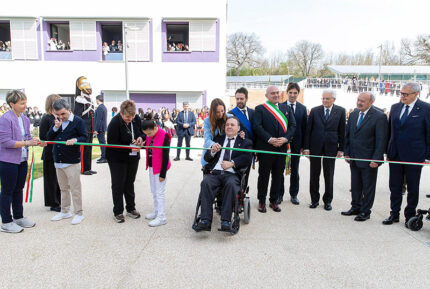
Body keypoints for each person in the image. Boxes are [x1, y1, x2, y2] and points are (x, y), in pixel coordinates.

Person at [383, 82, 430, 227]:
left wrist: (427, 156)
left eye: (406, 94)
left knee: (412, 187)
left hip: (414, 156)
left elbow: (429, 134)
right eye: (401, 93)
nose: (402, 96)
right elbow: (390, 131)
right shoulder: (395, 107)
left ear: (416, 94)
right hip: (395, 154)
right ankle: (394, 213)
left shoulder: (426, 109)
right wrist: (387, 150)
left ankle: (410, 215)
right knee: (395, 186)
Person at [194, 117, 253, 232]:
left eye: (232, 125)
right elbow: (207, 157)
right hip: (215, 173)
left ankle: (226, 220)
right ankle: (205, 220)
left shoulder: (245, 142)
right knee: (206, 182)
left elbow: (247, 158)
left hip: (231, 174)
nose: (229, 127)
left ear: (238, 128)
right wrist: (212, 151)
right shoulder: (218, 139)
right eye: (227, 125)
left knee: (231, 185)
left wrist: (232, 163)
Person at [342, 92, 388, 221]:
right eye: (358, 100)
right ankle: (355, 207)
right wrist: (347, 152)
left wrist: (376, 159)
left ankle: (365, 211)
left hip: (369, 159)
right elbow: (348, 135)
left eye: (362, 101)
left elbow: (381, 140)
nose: (359, 102)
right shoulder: (354, 114)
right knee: (355, 185)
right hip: (354, 157)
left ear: (371, 102)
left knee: (368, 187)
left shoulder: (379, 117)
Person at [0, 90, 40, 233]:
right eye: (22, 103)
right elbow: (5, 142)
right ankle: (6, 221)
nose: (25, 105)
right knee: (7, 190)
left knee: (18, 189)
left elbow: (27, 137)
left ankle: (18, 217)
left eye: (25, 102)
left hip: (22, 159)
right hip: (8, 161)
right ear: (12, 104)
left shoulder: (25, 119)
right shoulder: (5, 119)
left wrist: (35, 141)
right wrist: (27, 143)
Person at [253, 85, 296, 213]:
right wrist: (269, 139)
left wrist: (285, 138)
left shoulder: (286, 108)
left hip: (281, 148)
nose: (276, 95)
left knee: (278, 176)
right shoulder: (260, 109)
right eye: (272, 93)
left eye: (277, 93)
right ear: (267, 95)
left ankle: (273, 200)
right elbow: (257, 126)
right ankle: (261, 201)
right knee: (264, 176)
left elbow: (293, 126)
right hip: (266, 147)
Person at [47, 99, 87, 225]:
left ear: (69, 110)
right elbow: (49, 138)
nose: (60, 117)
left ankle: (79, 213)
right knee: (63, 188)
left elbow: (84, 137)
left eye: (63, 114)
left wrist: (75, 139)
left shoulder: (78, 121)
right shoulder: (57, 122)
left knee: (75, 189)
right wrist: (55, 128)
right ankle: (65, 211)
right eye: (57, 115)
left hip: (71, 161)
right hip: (58, 161)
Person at [304, 90, 346, 211]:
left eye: (327, 99)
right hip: (315, 147)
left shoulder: (341, 111)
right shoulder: (315, 110)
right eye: (323, 98)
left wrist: (341, 149)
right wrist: (307, 148)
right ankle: (314, 200)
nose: (324, 101)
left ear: (334, 99)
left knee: (329, 175)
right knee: (314, 174)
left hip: (331, 147)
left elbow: (342, 131)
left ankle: (327, 201)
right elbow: (308, 130)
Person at [106, 100, 145, 223]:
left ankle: (130, 208)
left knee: (129, 182)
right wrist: (129, 146)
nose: (130, 119)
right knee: (118, 184)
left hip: (133, 156)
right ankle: (118, 211)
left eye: (132, 116)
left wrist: (140, 138)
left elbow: (142, 132)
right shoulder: (114, 123)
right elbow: (112, 143)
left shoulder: (136, 119)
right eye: (128, 117)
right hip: (117, 157)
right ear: (121, 113)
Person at [279, 83, 307, 205]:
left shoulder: (302, 108)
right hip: (283, 144)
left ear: (298, 94)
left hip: (296, 145)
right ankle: (279, 194)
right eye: (290, 92)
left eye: (295, 93)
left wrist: (304, 146)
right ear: (287, 93)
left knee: (295, 171)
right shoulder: (280, 107)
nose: (292, 95)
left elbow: (304, 128)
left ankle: (294, 194)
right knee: (280, 170)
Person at [142, 120, 171, 227]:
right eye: (146, 134)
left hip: (160, 169)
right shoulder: (150, 135)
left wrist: (162, 174)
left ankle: (162, 217)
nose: (147, 136)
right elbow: (149, 148)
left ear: (155, 128)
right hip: (151, 167)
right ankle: (157, 211)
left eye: (149, 133)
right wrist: (142, 145)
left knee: (160, 192)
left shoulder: (164, 136)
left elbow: (165, 156)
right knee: (154, 191)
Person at [39, 94, 62, 212]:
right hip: (50, 153)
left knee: (60, 178)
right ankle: (53, 202)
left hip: (60, 153)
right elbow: (42, 136)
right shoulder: (46, 118)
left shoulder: (61, 117)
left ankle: (60, 200)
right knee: (51, 179)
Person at [73, 76, 96, 175]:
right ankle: (83, 169)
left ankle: (88, 167)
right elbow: (77, 115)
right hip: (83, 129)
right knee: (83, 149)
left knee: (89, 148)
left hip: (90, 128)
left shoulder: (89, 99)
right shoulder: (79, 99)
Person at [201, 98, 232, 167]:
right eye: (218, 112)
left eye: (222, 111)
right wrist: (213, 144)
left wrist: (240, 134)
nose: (221, 114)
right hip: (212, 150)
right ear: (213, 111)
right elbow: (207, 138)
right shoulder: (207, 121)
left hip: (225, 151)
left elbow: (235, 132)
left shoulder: (230, 117)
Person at [94, 95, 107, 164]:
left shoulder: (100, 108)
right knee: (103, 143)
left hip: (100, 128)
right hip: (102, 127)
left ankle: (104, 157)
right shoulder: (103, 107)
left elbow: (98, 120)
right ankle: (103, 156)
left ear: (98, 100)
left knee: (102, 143)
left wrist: (96, 129)